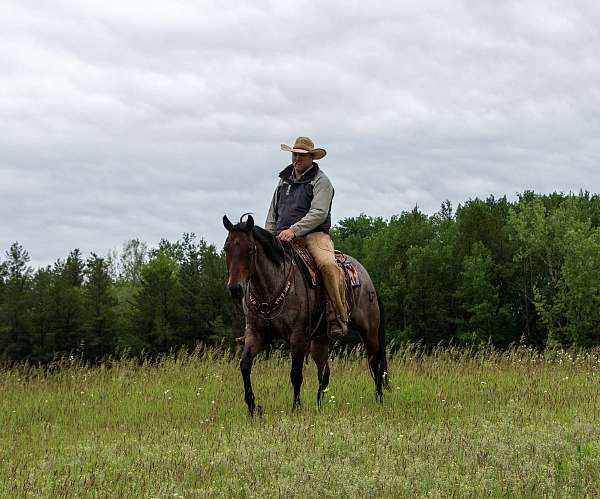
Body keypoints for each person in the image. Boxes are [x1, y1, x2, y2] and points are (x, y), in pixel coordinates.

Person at [265, 136, 348, 337]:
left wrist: (294, 230)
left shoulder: (322, 181)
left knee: (327, 265)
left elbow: (318, 213)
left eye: (302, 156)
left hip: (314, 235)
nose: (297, 159)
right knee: (257, 263)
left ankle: (338, 315)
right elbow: (272, 213)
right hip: (281, 236)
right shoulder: (283, 181)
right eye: (294, 155)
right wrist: (267, 237)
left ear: (312, 157)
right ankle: (256, 322)